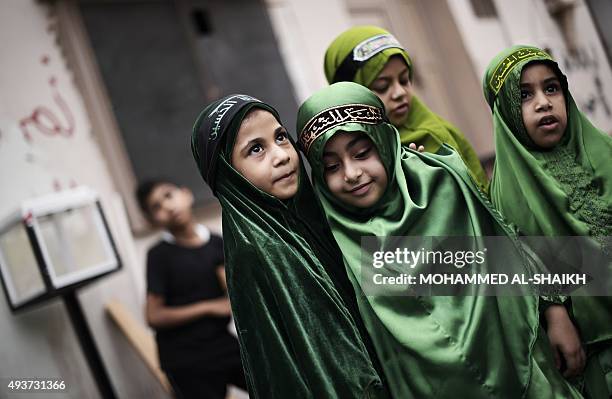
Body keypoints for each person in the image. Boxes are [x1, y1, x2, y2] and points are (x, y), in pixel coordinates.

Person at [297, 81, 585, 398]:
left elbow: (504, 244)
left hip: (524, 371)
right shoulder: (330, 241)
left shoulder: (441, 183)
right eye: (332, 166)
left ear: (384, 144)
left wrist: (554, 310)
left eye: (362, 153)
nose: (351, 173)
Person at [190, 94, 389, 398]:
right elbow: (335, 361)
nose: (282, 155)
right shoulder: (264, 250)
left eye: (281, 137)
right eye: (256, 149)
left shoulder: (303, 223)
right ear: (228, 174)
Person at [483, 45, 612, 398]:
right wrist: (554, 311)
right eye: (524, 95)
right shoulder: (505, 199)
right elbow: (525, 268)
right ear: (504, 111)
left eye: (551, 88)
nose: (543, 102)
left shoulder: (605, 153)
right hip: (598, 354)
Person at [324, 25, 489, 191]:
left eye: (404, 80)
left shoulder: (431, 136)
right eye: (382, 86)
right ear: (352, 95)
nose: (399, 93)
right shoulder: (344, 153)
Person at [136, 179, 246, 399]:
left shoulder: (217, 243)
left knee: (273, 385)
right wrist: (207, 308)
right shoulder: (159, 255)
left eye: (168, 196)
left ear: (186, 194)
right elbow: (154, 315)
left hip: (222, 344)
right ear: (151, 220)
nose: (167, 206)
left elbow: (234, 291)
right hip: (185, 358)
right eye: (156, 207)